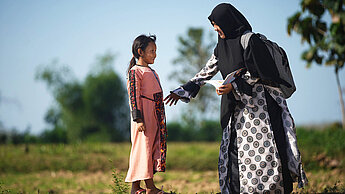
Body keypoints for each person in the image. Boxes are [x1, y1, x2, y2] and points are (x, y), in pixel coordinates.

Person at [164, 3, 308, 194]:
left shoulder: (250, 41)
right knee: (237, 153)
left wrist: (234, 84)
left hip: (260, 111)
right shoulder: (221, 47)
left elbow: (261, 72)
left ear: (227, 22)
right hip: (237, 111)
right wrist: (182, 90)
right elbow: (207, 71)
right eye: (213, 25)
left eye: (216, 24)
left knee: (264, 153)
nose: (215, 28)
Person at [125, 34, 167, 194]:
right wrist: (138, 119)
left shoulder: (151, 71)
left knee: (151, 148)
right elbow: (133, 97)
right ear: (140, 52)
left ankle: (136, 187)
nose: (155, 54)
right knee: (144, 148)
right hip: (144, 116)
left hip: (155, 115)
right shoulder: (135, 72)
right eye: (151, 51)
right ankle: (150, 187)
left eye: (155, 51)